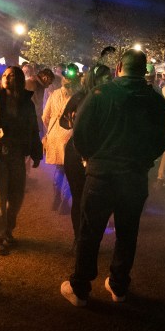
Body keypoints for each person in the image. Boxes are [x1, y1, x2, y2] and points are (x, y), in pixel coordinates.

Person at [60, 49, 165, 306]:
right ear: (144, 70)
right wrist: (145, 160)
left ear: (119, 67)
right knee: (127, 233)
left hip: (101, 176)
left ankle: (80, 288)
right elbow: (162, 138)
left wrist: (90, 157)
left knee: (90, 232)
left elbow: (80, 133)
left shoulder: (101, 94)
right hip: (134, 177)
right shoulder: (155, 100)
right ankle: (119, 286)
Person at [0, 65, 43, 256]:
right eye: (5, 75)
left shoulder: (27, 103)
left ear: (19, 80)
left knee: (16, 197)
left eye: (11, 76)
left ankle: (7, 231)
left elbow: (33, 128)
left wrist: (36, 152)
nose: (7, 78)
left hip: (17, 154)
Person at [59, 64, 113, 245]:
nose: (109, 79)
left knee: (96, 199)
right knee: (79, 197)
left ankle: (90, 238)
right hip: (76, 152)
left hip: (99, 153)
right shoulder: (80, 97)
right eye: (106, 77)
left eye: (110, 76)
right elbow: (62, 121)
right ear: (95, 79)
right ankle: (79, 239)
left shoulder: (110, 98)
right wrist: (74, 122)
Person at [42, 63, 82, 213]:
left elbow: (45, 116)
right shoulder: (78, 97)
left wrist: (51, 130)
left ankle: (56, 197)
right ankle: (65, 201)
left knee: (59, 169)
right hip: (70, 136)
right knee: (71, 171)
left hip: (55, 136)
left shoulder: (54, 94)